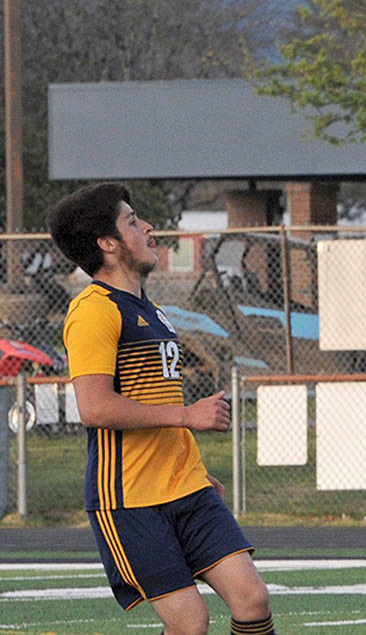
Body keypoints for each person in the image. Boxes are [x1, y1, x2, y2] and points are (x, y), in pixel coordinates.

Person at [48, 183, 274, 635]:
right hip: (130, 501)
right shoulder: (93, 310)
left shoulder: (151, 309)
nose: (148, 227)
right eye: (132, 221)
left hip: (186, 487)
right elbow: (94, 408)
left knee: (252, 599)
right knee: (190, 623)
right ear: (107, 244)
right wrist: (189, 416)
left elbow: (153, 398)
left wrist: (191, 466)